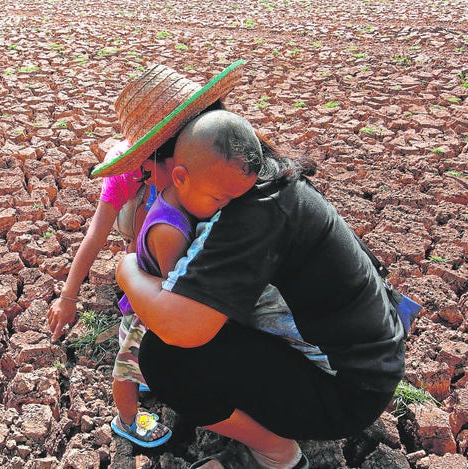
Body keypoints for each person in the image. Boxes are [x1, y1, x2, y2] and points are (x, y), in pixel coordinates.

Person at [110, 109, 406, 469]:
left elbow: (181, 326)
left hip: (348, 391)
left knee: (164, 358)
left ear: (178, 164)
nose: (147, 177)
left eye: (148, 164)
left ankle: (275, 454)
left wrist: (125, 271)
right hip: (370, 360)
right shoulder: (262, 179)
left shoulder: (244, 212)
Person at [49, 62, 246, 447]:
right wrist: (68, 296)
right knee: (136, 357)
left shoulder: (213, 157)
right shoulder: (134, 176)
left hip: (172, 256)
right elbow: (95, 234)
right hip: (154, 248)